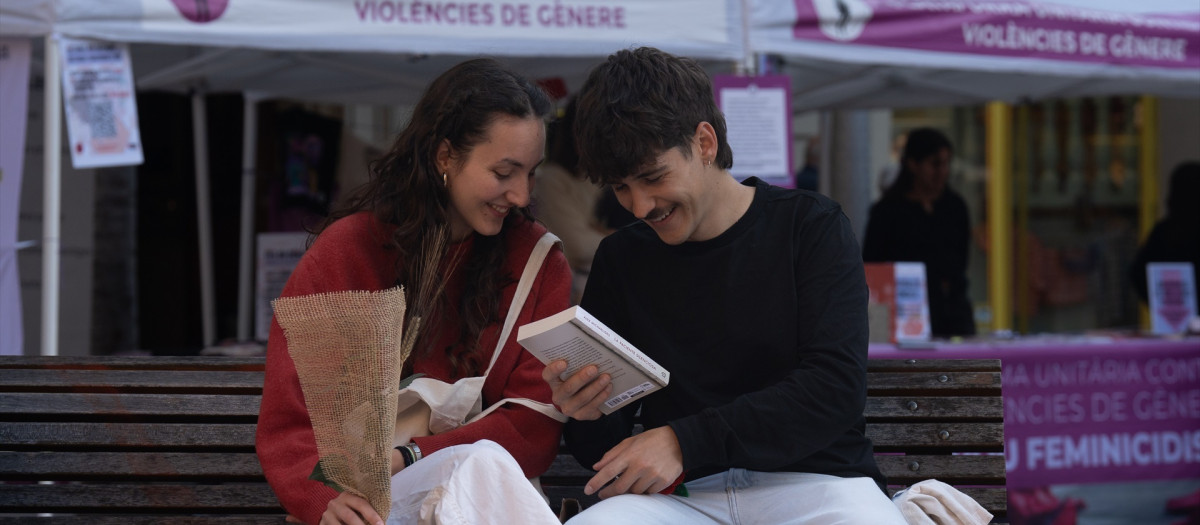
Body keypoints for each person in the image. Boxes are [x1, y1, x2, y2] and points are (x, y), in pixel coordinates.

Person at [542, 47, 905, 524]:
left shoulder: (810, 226)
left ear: (705, 142)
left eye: (653, 177)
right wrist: (584, 410)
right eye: (621, 188)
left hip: (819, 487)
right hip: (680, 497)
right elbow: (602, 451)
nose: (638, 206)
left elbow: (833, 389)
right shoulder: (623, 257)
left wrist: (682, 441)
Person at [256, 58, 571, 525]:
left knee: (481, 464)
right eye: (504, 173)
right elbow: (292, 417)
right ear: (446, 156)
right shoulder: (349, 251)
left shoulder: (539, 262)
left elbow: (533, 427)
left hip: (484, 494)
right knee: (481, 461)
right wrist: (320, 497)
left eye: (531, 173)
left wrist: (414, 453)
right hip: (368, 504)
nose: (522, 195)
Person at [862, 127, 976, 337]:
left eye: (946, 163)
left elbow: (961, 259)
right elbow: (872, 266)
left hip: (953, 313)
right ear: (913, 165)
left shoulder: (954, 206)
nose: (943, 171)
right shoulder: (887, 211)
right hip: (905, 316)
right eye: (935, 163)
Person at [532, 98, 608, 304]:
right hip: (579, 290)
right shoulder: (554, 178)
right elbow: (577, 246)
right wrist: (618, 236)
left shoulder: (605, 175)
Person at [1128, 160, 1200, 304]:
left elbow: (1139, 275)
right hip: (1175, 315)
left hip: (1174, 318)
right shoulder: (1166, 232)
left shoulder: (1165, 231)